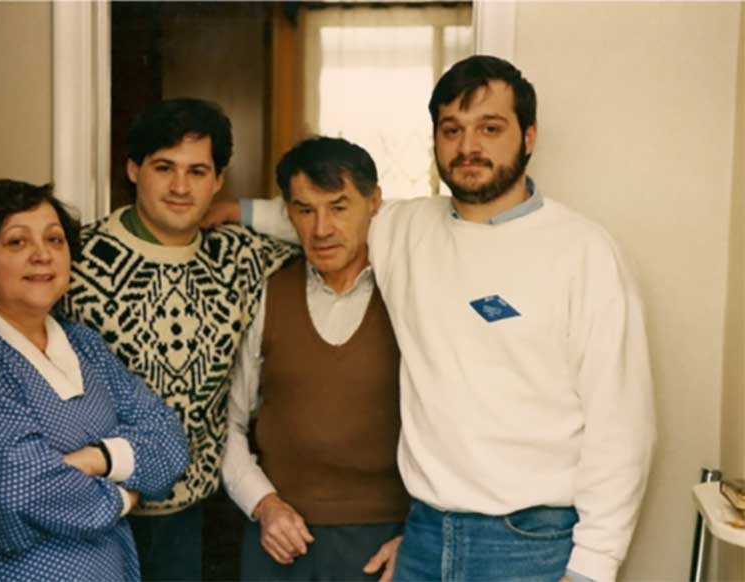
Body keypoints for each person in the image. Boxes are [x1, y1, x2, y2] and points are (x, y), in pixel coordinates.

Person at [204, 55, 657, 582]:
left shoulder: (584, 252)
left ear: (529, 136)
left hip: (529, 544)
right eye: (452, 130)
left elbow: (622, 426)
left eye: (490, 128)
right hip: (423, 538)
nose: (468, 146)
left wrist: (593, 567)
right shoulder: (406, 228)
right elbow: (325, 219)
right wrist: (231, 211)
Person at [0, 98, 298, 581]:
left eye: (198, 172)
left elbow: (329, 226)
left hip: (189, 509)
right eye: (164, 167)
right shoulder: (74, 254)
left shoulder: (241, 256)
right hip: (68, 519)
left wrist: (244, 210)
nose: (180, 187)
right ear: (133, 169)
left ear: (218, 181)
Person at [0, 179, 189, 581]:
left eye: (55, 240)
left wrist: (97, 459)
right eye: (17, 242)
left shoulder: (83, 344)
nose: (42, 255)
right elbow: (18, 494)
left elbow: (169, 439)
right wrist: (124, 495)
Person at [222, 137, 409, 581]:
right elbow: (228, 424)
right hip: (277, 536)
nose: (321, 228)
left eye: (339, 207)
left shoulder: (407, 293)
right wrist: (264, 504)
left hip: (384, 543)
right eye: (305, 210)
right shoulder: (268, 293)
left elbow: (449, 427)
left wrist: (418, 535)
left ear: (375, 203)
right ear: (288, 213)